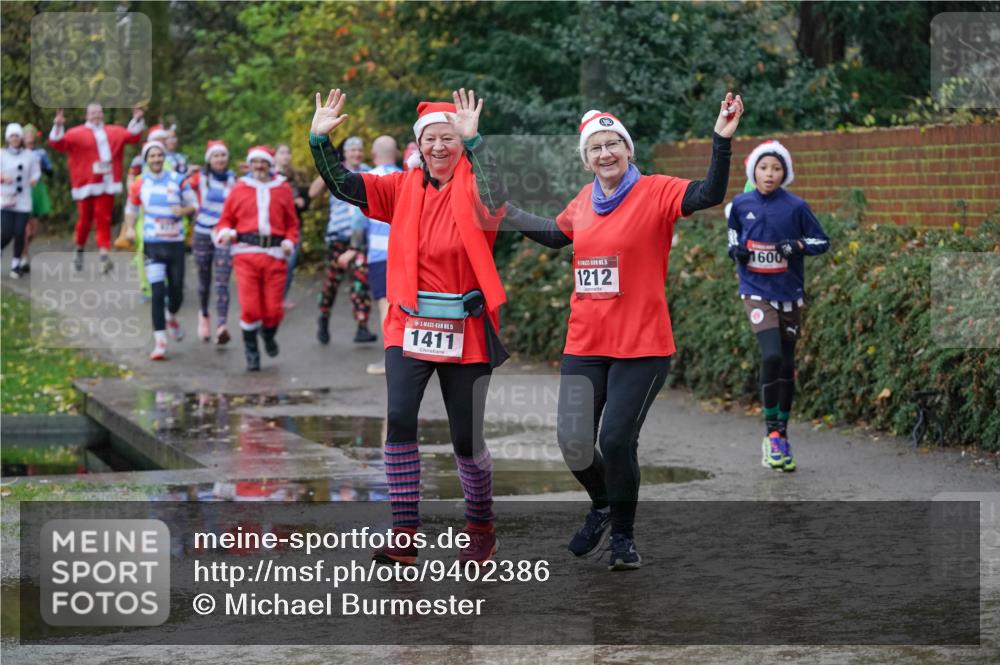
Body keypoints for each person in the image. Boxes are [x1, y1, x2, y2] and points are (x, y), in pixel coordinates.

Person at [496, 94, 743, 570]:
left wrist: (722, 139)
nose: (605, 154)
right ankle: (605, 504)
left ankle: (624, 539)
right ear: (586, 159)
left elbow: (709, 194)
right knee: (572, 442)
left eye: (614, 145)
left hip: (642, 347)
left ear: (628, 150)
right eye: (595, 149)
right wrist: (506, 212)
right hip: (585, 343)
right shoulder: (584, 201)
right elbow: (555, 233)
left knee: (615, 441)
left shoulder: (656, 191)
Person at [310, 88, 508, 565]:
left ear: (460, 142)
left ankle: (480, 526)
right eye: (430, 140)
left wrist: (476, 140)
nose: (439, 147)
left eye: (449, 138)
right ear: (417, 146)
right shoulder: (401, 188)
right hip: (408, 323)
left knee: (466, 438)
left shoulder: (477, 186)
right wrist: (320, 141)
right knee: (399, 417)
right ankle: (404, 531)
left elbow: (497, 189)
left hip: (465, 325)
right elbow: (344, 185)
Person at [726, 140, 830, 472]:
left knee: (786, 364)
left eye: (776, 168)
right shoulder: (741, 204)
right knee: (770, 355)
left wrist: (797, 244)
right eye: (763, 167)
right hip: (755, 292)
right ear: (752, 171)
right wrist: (737, 252)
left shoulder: (796, 206)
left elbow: (821, 241)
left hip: (789, 294)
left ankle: (782, 435)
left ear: (784, 173)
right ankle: (770, 433)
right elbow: (733, 238)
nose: (769, 174)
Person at [214, 146, 299, 371]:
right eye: (255, 162)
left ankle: (268, 336)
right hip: (245, 254)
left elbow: (292, 223)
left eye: (263, 162)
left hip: (275, 255)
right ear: (249, 164)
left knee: (273, 310)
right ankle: (251, 352)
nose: (259, 166)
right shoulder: (239, 188)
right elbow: (224, 220)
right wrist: (225, 232)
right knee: (250, 308)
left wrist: (290, 241)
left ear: (270, 164)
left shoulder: (282, 188)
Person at [48, 103, 145, 273]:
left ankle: (104, 255)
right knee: (84, 220)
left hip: (107, 183)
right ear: (87, 115)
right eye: (92, 113)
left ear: (103, 114)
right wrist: (58, 125)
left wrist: (136, 119)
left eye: (99, 112)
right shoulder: (75, 133)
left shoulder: (114, 131)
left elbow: (132, 137)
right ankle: (79, 248)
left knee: (103, 218)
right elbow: (57, 144)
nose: (96, 116)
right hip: (85, 183)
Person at [123, 141, 198, 360]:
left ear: (164, 158)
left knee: (176, 293)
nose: (156, 159)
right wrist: (129, 228)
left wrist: (182, 210)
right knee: (156, 293)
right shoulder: (139, 183)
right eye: (152, 156)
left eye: (159, 155)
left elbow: (194, 205)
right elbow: (131, 207)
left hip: (175, 243)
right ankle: (160, 343)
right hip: (152, 244)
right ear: (146, 160)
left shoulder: (178, 180)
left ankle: (170, 315)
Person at [310, 136, 375, 344]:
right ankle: (323, 318)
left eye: (359, 150)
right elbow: (312, 193)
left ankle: (362, 326)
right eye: (352, 150)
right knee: (332, 282)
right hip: (337, 237)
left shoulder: (369, 171)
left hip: (360, 239)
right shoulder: (335, 171)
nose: (356, 153)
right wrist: (330, 166)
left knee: (360, 282)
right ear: (344, 153)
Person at [351, 135, 401, 375]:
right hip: (406, 250)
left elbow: (358, 221)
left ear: (372, 154)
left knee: (386, 305)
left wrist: (353, 248)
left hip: (381, 253)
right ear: (398, 153)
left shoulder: (368, 178)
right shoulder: (409, 177)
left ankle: (391, 358)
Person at [188, 140, 237, 345]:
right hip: (201, 233)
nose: (219, 159)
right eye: (216, 156)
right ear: (210, 159)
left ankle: (222, 326)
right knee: (204, 280)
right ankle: (204, 314)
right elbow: (177, 185)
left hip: (223, 234)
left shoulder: (234, 180)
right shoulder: (199, 178)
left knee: (222, 281)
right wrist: (184, 171)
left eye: (223, 156)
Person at [1, 123, 42, 278]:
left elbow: (36, 172)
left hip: (23, 200)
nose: (15, 139)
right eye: (12, 136)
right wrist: (2, 178)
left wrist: (33, 179)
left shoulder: (29, 156)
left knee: (20, 233)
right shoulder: (2, 154)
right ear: (8, 138)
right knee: (6, 233)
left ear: (21, 138)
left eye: (17, 136)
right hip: (5, 199)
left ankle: (15, 265)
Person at [275, 143, 310, 308]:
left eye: (288, 152)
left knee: (289, 265)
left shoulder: (295, 177)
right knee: (273, 265)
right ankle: (271, 299)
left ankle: (281, 298)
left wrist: (302, 201)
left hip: (294, 226)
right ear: (274, 155)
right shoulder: (268, 176)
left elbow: (305, 198)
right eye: (282, 152)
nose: (285, 156)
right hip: (274, 228)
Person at [20, 124, 53, 274]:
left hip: (37, 190)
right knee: (25, 227)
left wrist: (43, 167)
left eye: (31, 133)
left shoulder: (40, 153)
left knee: (33, 229)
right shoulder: (17, 153)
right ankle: (24, 257)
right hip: (22, 190)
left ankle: (22, 249)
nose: (29, 136)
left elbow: (50, 171)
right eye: (26, 133)